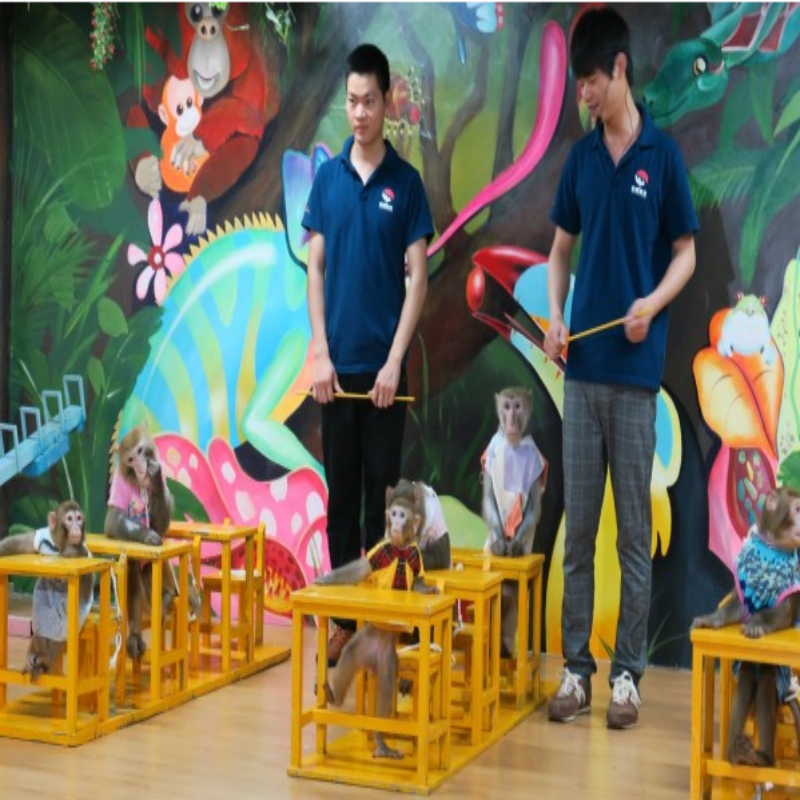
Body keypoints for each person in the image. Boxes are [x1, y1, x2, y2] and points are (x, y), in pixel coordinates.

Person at [543, 8, 698, 730]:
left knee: (634, 535)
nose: (584, 94)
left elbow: (686, 255)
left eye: (591, 82)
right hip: (582, 376)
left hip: (636, 379)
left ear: (620, 70)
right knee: (578, 536)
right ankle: (576, 672)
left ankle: (627, 677)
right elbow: (558, 252)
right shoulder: (580, 160)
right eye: (578, 84)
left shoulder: (662, 158)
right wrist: (555, 316)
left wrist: (651, 304)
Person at [302, 43, 434, 666]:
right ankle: (343, 621)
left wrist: (394, 361)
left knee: (387, 505)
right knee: (341, 504)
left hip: (384, 378)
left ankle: (383, 621)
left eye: (369, 101)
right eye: (351, 102)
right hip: (336, 374)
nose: (358, 113)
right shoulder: (328, 180)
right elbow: (315, 268)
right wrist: (320, 353)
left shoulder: (406, 185)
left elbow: (419, 279)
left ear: (387, 103)